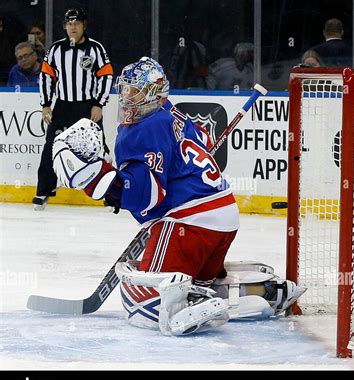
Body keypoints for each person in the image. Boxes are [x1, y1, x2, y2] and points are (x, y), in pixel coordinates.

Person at [51, 56, 306, 336]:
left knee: (141, 301)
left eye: (135, 91)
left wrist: (92, 176)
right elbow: (206, 140)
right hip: (223, 220)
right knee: (198, 280)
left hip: (188, 224)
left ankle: (189, 304)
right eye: (125, 90)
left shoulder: (142, 128)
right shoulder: (173, 113)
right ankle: (263, 290)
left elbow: (145, 197)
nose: (127, 98)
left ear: (153, 93)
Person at [33, 8, 113, 210]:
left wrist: (98, 103)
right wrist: (45, 104)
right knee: (51, 147)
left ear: (83, 25)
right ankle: (43, 192)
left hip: (88, 106)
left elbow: (106, 75)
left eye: (76, 23)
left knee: (97, 148)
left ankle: (108, 193)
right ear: (65, 26)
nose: (73, 27)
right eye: (69, 23)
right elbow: (46, 77)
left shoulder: (95, 48)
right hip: (63, 107)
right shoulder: (56, 49)